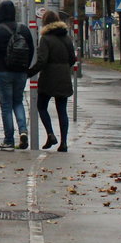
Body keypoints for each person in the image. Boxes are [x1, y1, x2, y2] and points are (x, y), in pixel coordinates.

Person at [0, 0, 34, 149]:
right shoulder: (24, 29)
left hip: (2, 71)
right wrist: (26, 68)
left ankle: (9, 140)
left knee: (6, 106)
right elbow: (31, 50)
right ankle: (23, 131)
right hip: (20, 72)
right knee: (18, 102)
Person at [29, 10, 77, 151]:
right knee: (62, 110)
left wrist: (30, 72)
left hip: (48, 78)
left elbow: (42, 60)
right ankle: (64, 143)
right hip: (63, 78)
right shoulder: (67, 38)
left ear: (45, 22)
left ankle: (50, 134)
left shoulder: (45, 38)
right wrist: (64, 68)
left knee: (42, 106)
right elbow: (72, 59)